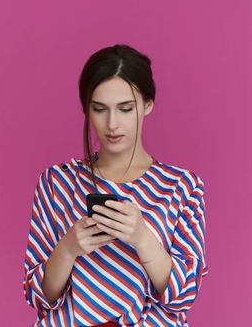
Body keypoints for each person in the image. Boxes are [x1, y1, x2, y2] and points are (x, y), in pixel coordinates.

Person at [23, 44, 208, 326]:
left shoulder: (182, 187)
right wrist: (68, 248)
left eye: (125, 109)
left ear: (147, 104)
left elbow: (183, 296)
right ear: (86, 108)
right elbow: (38, 297)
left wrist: (142, 238)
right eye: (99, 109)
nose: (112, 124)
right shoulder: (56, 183)